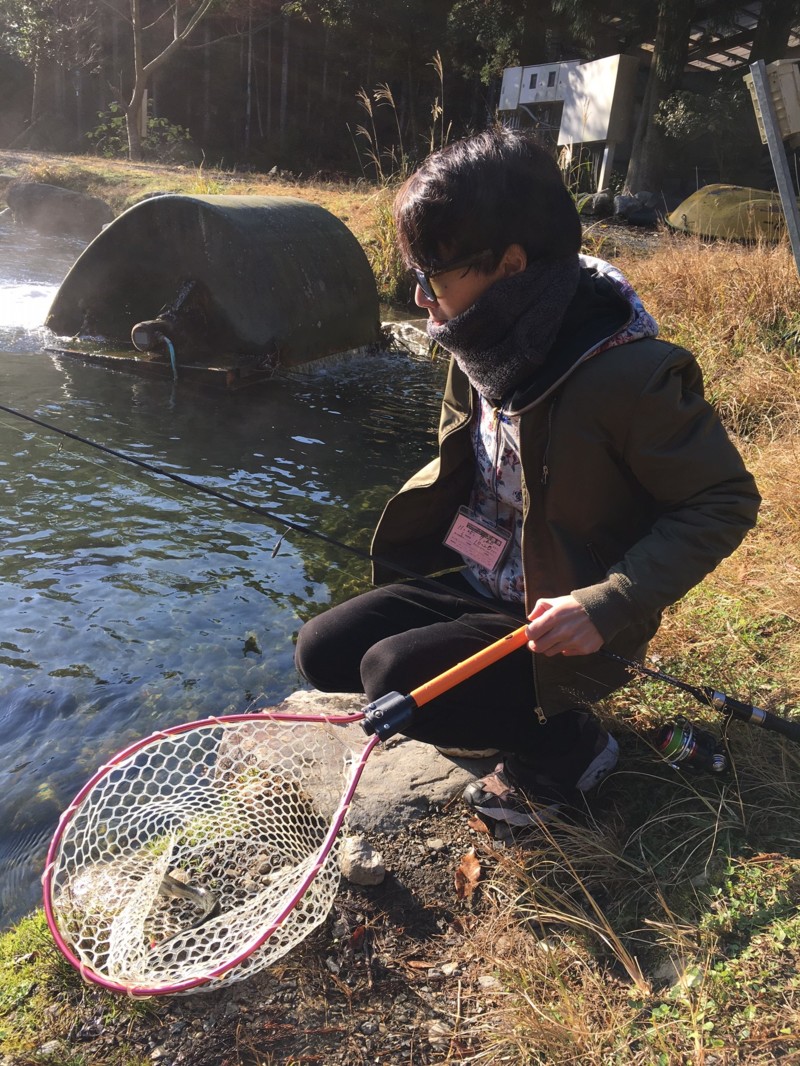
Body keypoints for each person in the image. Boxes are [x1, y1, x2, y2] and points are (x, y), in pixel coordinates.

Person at [295, 126, 760, 836]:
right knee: (322, 649)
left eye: (432, 276)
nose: (420, 298)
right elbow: (466, 459)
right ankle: (493, 708)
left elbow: (724, 500)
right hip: (481, 578)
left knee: (392, 674)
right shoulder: (480, 336)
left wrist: (607, 604)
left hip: (563, 622)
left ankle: (566, 748)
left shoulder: (632, 375)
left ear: (510, 265)